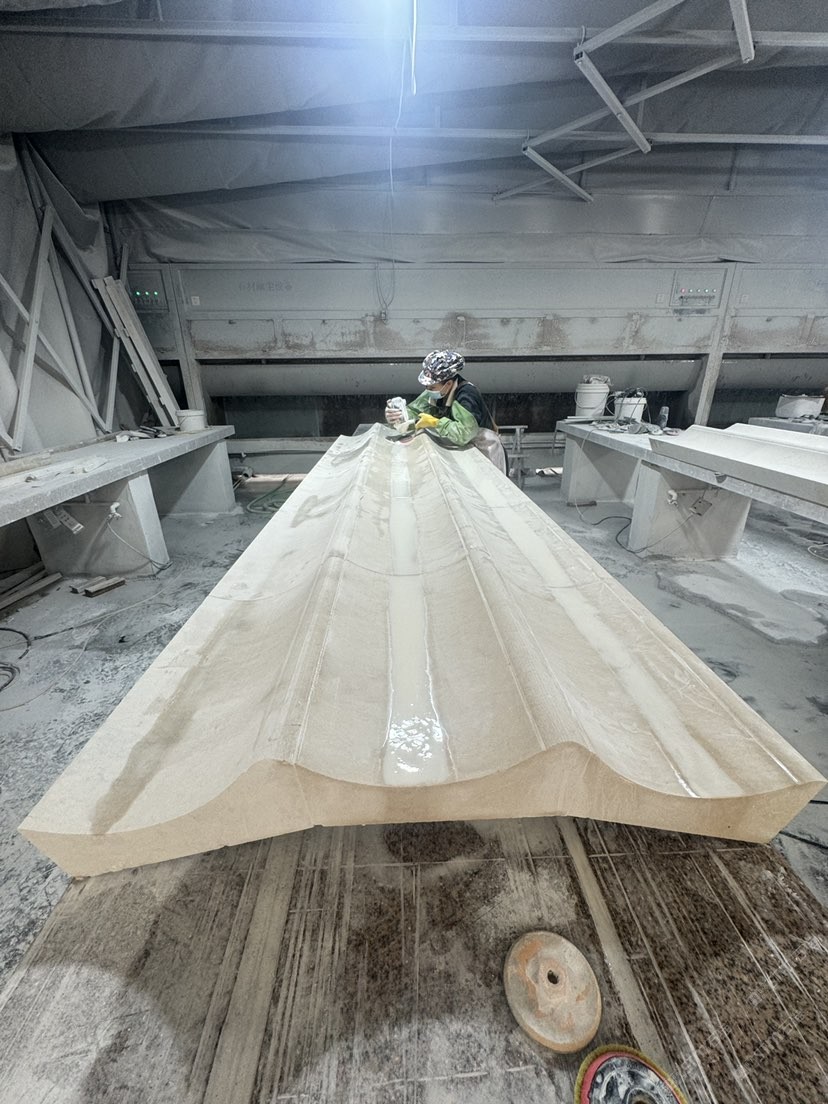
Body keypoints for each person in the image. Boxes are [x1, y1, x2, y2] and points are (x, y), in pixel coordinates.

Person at [385, 350, 508, 475]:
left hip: (485, 451)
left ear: (448, 384)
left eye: (432, 387)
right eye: (426, 387)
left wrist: (435, 423)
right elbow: (415, 411)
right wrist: (398, 416)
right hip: (466, 451)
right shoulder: (436, 392)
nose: (428, 390)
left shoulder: (466, 395)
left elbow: (465, 433)